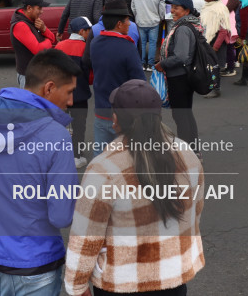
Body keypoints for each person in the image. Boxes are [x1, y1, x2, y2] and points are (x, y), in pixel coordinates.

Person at [0, 49, 80, 296]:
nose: (71, 101)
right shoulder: (56, 136)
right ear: (49, 88)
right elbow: (61, 216)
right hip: (37, 263)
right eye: (70, 91)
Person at [64, 79, 205, 296]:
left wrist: (77, 286)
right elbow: (195, 212)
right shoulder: (187, 154)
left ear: (115, 120)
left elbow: (86, 236)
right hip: (174, 277)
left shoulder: (104, 168)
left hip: (122, 282)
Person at [86, 0, 145, 157]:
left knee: (100, 155)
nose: (129, 24)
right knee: (126, 157)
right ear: (119, 24)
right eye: (127, 20)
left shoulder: (95, 43)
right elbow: (139, 82)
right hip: (123, 114)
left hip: (100, 110)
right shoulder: (127, 46)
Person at [156, 0, 202, 148]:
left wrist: (162, 63)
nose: (173, 11)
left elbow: (181, 56)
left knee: (181, 116)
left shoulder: (182, 28)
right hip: (184, 75)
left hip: (179, 77)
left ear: (187, 11)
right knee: (186, 114)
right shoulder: (189, 24)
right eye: (172, 7)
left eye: (177, 8)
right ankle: (193, 148)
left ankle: (187, 150)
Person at [54, 16, 93, 169]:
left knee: (59, 125)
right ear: (82, 31)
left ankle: (58, 154)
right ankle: (77, 156)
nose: (90, 33)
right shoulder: (85, 48)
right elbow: (90, 75)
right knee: (79, 126)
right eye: (88, 30)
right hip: (80, 95)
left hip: (60, 95)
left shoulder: (59, 46)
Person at [10, 0, 56, 89]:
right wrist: (48, 40)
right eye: (39, 8)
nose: (41, 11)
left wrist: (44, 29)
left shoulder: (33, 20)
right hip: (29, 76)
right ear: (29, 8)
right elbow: (39, 50)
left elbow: (53, 38)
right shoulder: (21, 25)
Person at [199, 0, 231, 99]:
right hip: (208, 41)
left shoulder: (219, 9)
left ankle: (216, 89)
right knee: (209, 67)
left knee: (214, 67)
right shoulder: (208, 6)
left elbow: (223, 30)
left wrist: (215, 48)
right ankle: (210, 87)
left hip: (216, 43)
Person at [132, 0, 166, 72]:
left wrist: (137, 17)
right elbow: (161, 7)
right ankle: (151, 64)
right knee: (152, 43)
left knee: (142, 43)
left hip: (141, 21)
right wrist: (161, 17)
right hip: (154, 21)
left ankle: (142, 63)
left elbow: (133, 8)